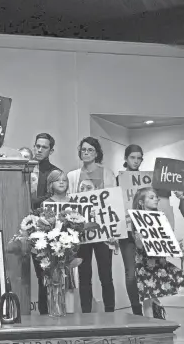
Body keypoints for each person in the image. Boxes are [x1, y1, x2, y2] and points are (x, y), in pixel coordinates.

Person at [67, 136, 116, 313]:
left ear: (97, 153)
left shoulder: (107, 173)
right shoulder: (72, 176)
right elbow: (69, 203)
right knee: (84, 275)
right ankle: (86, 312)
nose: (86, 153)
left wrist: (113, 231)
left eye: (90, 150)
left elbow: (112, 204)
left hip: (102, 231)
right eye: (83, 150)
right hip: (82, 232)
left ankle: (110, 311)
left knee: (106, 274)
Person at [132, 187, 184, 319]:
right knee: (146, 294)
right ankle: (151, 321)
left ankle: (156, 309)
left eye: (156, 197)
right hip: (144, 263)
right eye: (151, 197)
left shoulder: (161, 217)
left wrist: (177, 245)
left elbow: (166, 240)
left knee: (176, 279)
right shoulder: (137, 219)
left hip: (159, 261)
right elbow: (138, 245)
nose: (156, 199)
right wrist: (140, 239)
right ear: (141, 202)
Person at [30, 133, 60, 315]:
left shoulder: (55, 173)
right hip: (22, 224)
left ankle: (45, 312)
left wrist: (35, 202)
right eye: (37, 146)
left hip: (44, 228)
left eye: (44, 147)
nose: (39, 150)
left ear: (51, 150)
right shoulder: (24, 168)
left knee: (44, 273)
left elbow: (55, 199)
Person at [115, 144, 144, 316]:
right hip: (126, 231)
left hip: (145, 230)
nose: (135, 161)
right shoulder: (118, 179)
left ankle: (152, 308)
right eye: (132, 157)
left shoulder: (146, 179)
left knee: (149, 271)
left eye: (139, 158)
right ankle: (136, 311)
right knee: (131, 274)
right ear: (126, 159)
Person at [42, 170, 77, 313]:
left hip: (70, 247)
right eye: (58, 180)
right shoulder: (47, 203)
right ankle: (55, 310)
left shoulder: (74, 202)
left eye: (64, 180)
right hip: (52, 249)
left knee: (69, 280)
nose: (62, 182)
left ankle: (70, 312)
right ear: (51, 184)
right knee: (54, 279)